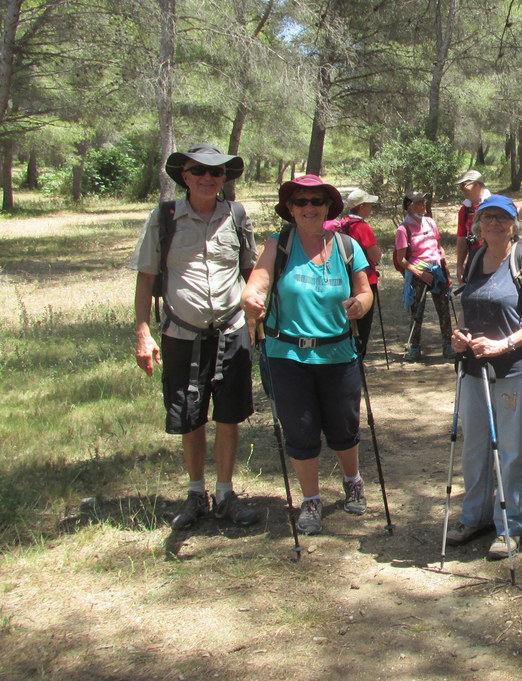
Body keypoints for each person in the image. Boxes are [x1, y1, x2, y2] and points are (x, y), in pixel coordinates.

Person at [131, 143, 260, 531]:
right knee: (191, 416)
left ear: (225, 179)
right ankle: (194, 493)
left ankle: (224, 494)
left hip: (231, 330)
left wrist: (256, 319)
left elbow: (253, 270)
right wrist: (142, 331)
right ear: (184, 176)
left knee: (229, 415)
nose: (208, 177)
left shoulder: (237, 216)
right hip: (180, 334)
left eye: (216, 172)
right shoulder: (165, 217)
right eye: (199, 171)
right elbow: (146, 275)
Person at [240, 175, 375, 535]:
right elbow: (259, 281)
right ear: (290, 209)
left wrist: (360, 304)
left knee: (343, 426)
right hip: (287, 355)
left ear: (329, 207)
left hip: (338, 353)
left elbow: (365, 291)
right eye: (301, 202)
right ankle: (311, 499)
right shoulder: (278, 244)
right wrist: (251, 297)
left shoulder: (347, 246)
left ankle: (353, 480)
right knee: (300, 431)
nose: (309, 208)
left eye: (317, 201)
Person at [446, 195, 522, 559]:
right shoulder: (476, 257)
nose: (495, 223)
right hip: (474, 368)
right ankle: (474, 516)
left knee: (510, 449)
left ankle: (510, 525)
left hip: (516, 369)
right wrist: (459, 335)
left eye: (502, 218)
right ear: (477, 224)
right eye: (487, 217)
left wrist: (504, 344)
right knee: (474, 446)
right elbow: (468, 308)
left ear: (513, 223)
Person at [395, 191, 454, 362]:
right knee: (417, 312)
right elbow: (402, 260)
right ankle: (414, 348)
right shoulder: (403, 229)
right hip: (417, 274)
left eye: (424, 201)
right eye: (419, 202)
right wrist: (420, 274)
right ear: (409, 206)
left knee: (444, 309)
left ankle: (448, 345)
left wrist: (446, 272)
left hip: (437, 270)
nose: (423, 204)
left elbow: (439, 248)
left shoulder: (430, 222)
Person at [324, 188, 382, 358]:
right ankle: (357, 359)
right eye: (369, 204)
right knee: (362, 324)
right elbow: (375, 255)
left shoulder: (341, 224)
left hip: (343, 279)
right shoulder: (362, 227)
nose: (370, 207)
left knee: (346, 322)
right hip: (365, 280)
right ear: (362, 206)